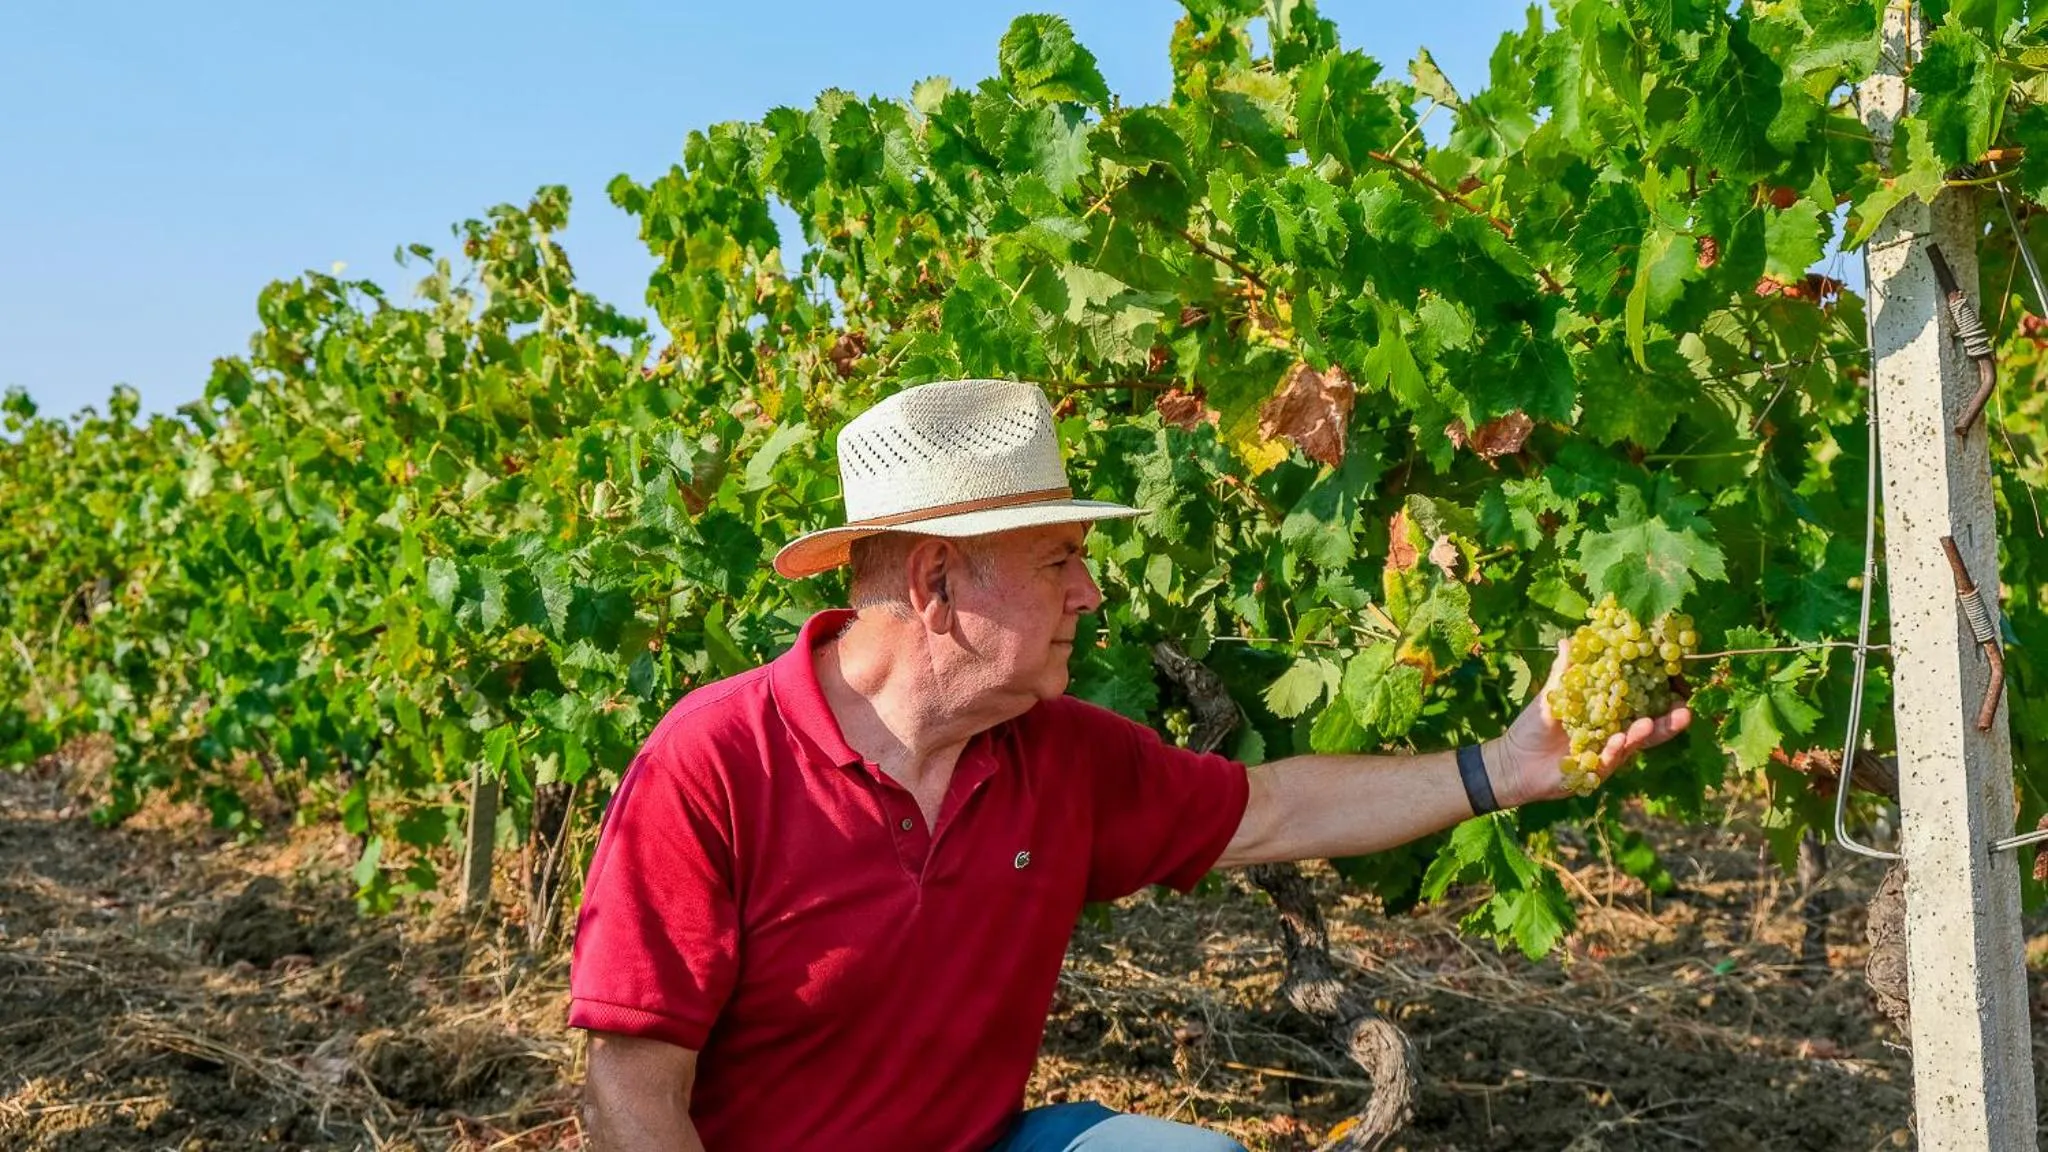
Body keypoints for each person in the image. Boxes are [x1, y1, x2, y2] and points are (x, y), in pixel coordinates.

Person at [568, 378, 1688, 1152]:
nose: (1089, 592)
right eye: (1057, 559)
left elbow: (1266, 812)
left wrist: (1507, 764)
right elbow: (627, 1089)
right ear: (933, 586)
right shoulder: (714, 763)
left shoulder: (1054, 756)